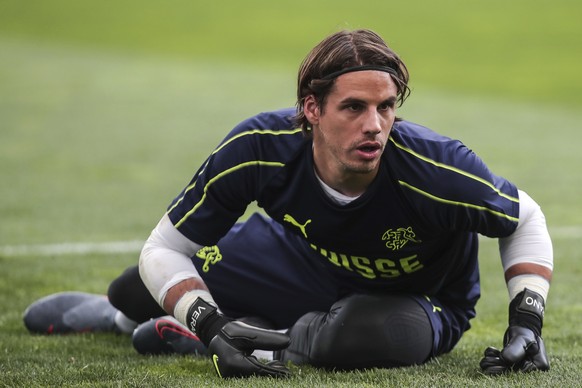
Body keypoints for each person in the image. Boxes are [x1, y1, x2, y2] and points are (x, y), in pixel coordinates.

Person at [23, 28, 553, 378]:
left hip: (417, 300)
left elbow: (523, 216)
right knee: (135, 289)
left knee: (359, 336)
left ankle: (222, 340)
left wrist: (526, 322)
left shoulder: (437, 167)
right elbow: (164, 247)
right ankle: (119, 319)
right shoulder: (259, 150)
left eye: (386, 107)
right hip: (302, 262)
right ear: (311, 109)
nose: (374, 124)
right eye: (353, 107)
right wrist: (208, 319)